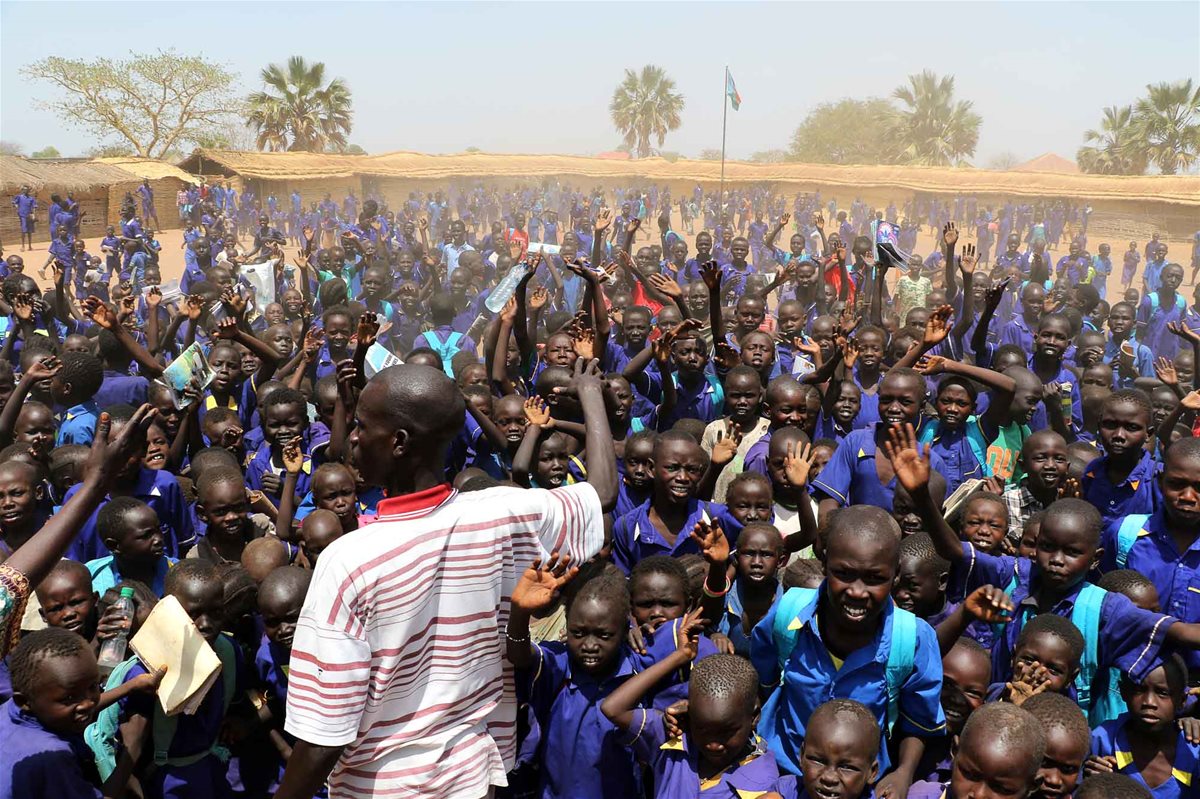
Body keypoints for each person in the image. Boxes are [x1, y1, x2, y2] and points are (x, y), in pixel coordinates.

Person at [275, 361, 615, 799]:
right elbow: (602, 493)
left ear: (399, 442)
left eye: (362, 425)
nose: (353, 437)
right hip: (472, 777)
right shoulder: (499, 515)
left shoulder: (349, 560)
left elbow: (325, 737)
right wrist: (590, 393)